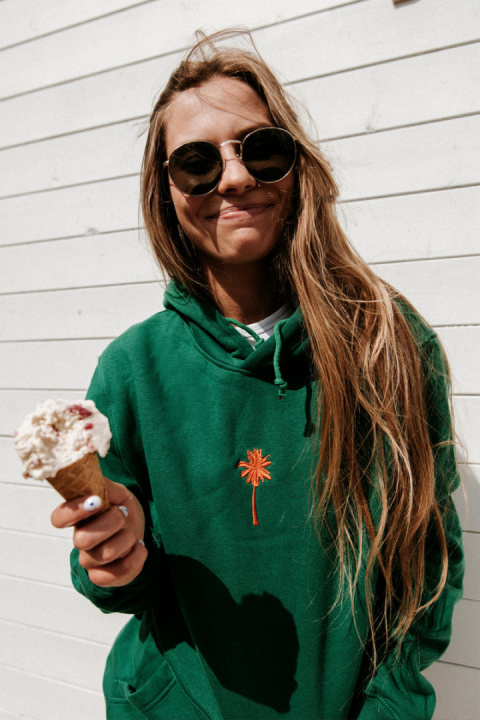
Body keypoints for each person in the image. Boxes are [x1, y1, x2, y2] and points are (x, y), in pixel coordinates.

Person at [51, 31, 464, 720]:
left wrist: (390, 708)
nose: (235, 178)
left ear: (296, 165)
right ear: (166, 192)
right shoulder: (131, 370)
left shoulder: (387, 343)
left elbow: (428, 563)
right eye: (197, 162)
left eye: (260, 148)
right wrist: (114, 556)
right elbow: (116, 582)